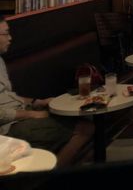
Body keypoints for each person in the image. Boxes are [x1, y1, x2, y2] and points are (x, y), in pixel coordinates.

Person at [0, 16, 94, 166]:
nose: (10, 38)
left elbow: (7, 96)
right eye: (6, 33)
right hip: (7, 128)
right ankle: (53, 175)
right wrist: (32, 114)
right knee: (85, 129)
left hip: (21, 113)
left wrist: (37, 102)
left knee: (85, 117)